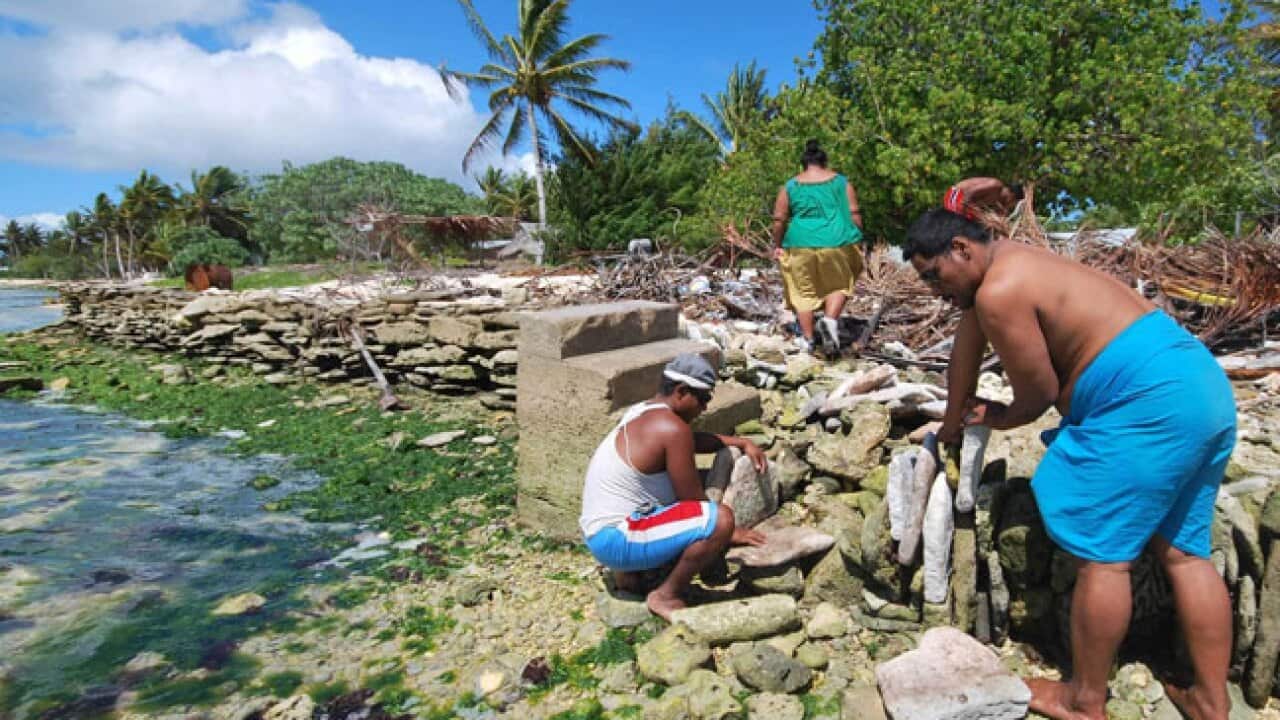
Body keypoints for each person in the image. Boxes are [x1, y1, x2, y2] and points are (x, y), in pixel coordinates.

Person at [904, 209, 1235, 720]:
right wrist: (951, 423)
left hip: (1146, 404)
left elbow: (1038, 393)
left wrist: (1000, 416)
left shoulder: (998, 291)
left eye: (933, 275)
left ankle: (1084, 699)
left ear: (960, 250)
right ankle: (1212, 702)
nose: (931, 290)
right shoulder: (1011, 263)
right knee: (1186, 554)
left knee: (1105, 558)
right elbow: (964, 360)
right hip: (1201, 388)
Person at [579, 353, 769, 621]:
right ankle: (665, 595)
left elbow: (692, 441)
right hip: (617, 541)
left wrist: (739, 442)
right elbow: (694, 502)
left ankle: (630, 575)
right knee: (720, 519)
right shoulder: (672, 428)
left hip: (599, 534)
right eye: (703, 399)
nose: (704, 407)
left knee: (695, 502)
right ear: (681, 392)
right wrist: (730, 533)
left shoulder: (643, 411)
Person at [771, 139, 865, 354]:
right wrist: (858, 238)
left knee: (803, 292)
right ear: (825, 162)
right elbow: (854, 214)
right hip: (837, 241)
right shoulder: (841, 183)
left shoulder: (791, 185)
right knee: (839, 284)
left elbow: (779, 219)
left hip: (799, 243)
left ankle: (808, 339)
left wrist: (778, 245)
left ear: (803, 164)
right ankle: (830, 321)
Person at [942, 177, 1023, 220]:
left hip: (966, 206)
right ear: (1012, 196)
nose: (1011, 206)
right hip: (957, 195)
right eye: (1014, 203)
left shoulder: (999, 203)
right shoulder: (995, 185)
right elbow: (969, 193)